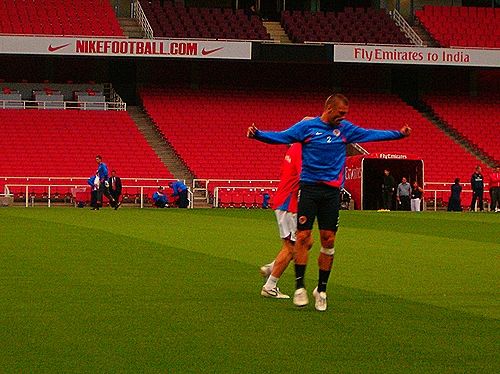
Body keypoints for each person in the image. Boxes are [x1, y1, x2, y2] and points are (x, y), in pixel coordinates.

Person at [247, 93, 411, 311]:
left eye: (345, 114)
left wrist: (397, 135)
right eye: (340, 113)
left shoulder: (345, 129)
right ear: (329, 108)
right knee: (303, 237)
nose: (343, 117)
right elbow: (281, 136)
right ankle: (298, 286)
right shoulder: (306, 128)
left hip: (331, 193)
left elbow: (370, 134)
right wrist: (258, 135)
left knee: (327, 240)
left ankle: (320, 290)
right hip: (309, 190)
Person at [260, 143, 302, 299]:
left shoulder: (293, 149)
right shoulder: (301, 151)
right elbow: (304, 175)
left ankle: (272, 267)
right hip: (288, 204)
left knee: (303, 242)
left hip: (284, 200)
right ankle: (270, 286)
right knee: (292, 247)